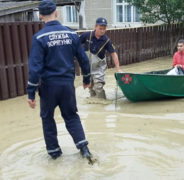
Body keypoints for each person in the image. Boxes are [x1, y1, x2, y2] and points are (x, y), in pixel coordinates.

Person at [27, 0, 92, 160]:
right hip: (67, 86)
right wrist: (86, 78)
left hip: (48, 87)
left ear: (40, 15)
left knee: (47, 118)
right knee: (71, 116)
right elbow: (83, 59)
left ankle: (55, 154)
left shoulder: (39, 37)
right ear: (56, 13)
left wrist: (31, 92)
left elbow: (35, 67)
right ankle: (84, 149)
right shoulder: (71, 34)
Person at [80, 17, 122, 99]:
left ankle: (103, 102)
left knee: (98, 87)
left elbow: (113, 54)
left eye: (104, 29)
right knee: (91, 87)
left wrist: (118, 68)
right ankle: (94, 106)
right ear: (95, 26)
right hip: (87, 66)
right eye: (100, 28)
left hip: (99, 67)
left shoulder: (106, 40)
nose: (102, 31)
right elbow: (75, 44)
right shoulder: (86, 35)